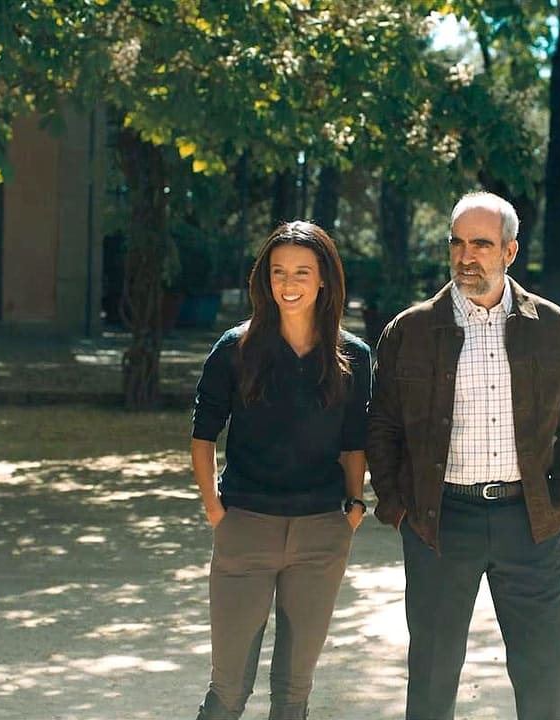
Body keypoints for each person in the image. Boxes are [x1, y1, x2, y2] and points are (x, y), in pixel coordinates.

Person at [367, 191, 560, 720]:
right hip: (440, 521)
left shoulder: (554, 327)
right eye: (457, 243)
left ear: (510, 251)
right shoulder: (410, 330)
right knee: (432, 674)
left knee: (547, 674)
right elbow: (383, 427)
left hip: (530, 520)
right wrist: (398, 507)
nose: (465, 256)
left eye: (481, 244)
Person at [190, 221, 371, 720]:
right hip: (245, 526)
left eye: (301, 272)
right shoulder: (235, 348)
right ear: (264, 278)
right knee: (228, 689)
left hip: (322, 533)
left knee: (293, 693)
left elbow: (355, 442)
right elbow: (203, 434)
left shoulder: (353, 356)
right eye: (278, 272)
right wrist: (214, 508)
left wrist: (355, 505)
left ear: (324, 279)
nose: (288, 284)